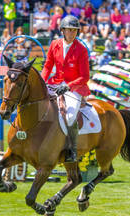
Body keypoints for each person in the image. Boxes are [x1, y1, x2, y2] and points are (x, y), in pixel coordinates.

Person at [41, 15, 90, 163]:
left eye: (74, 30)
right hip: (55, 83)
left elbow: (85, 76)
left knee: (69, 117)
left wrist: (69, 86)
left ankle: (72, 149)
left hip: (74, 87)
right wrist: (42, 82)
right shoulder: (55, 44)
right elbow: (48, 66)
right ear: (62, 30)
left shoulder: (81, 50)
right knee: (40, 106)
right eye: (69, 30)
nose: (72, 33)